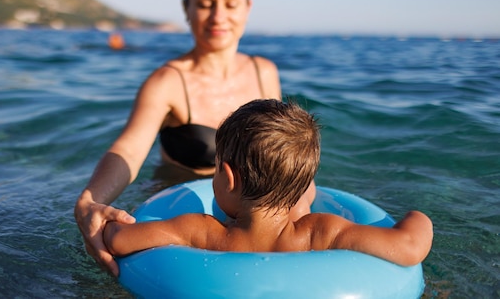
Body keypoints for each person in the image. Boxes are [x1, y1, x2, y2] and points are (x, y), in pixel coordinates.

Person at [74, 0, 316, 276]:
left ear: (247, 7)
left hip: (255, 211)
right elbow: (130, 149)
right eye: (205, 4)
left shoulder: (264, 72)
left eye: (230, 4)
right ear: (186, 8)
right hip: (182, 205)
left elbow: (278, 147)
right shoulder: (167, 82)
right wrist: (91, 200)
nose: (219, 16)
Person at [103, 99, 434, 268]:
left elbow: (121, 240)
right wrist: (419, 218)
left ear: (228, 179)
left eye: (217, 167)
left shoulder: (204, 232)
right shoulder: (319, 232)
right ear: (304, 186)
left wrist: (112, 224)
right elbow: (408, 248)